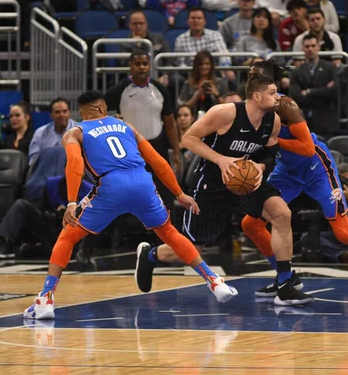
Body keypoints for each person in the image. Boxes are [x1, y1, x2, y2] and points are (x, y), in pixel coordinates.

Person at [24, 90, 238, 320]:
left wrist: (71, 202)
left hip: (110, 185)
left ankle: (45, 299)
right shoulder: (127, 127)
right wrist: (179, 193)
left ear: (81, 112)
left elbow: (75, 163)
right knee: (169, 233)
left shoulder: (75, 132)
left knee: (67, 237)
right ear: (104, 109)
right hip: (142, 182)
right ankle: (214, 281)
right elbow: (157, 161)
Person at [136, 72, 315, 306]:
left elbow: (271, 156)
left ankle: (285, 285)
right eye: (273, 93)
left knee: (282, 213)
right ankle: (150, 255)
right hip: (213, 182)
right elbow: (188, 139)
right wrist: (221, 160)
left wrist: (260, 166)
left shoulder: (274, 121)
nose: (278, 97)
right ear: (256, 96)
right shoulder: (226, 112)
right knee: (193, 245)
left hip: (246, 180)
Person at [241, 62, 348, 294]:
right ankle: (285, 277)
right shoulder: (248, 109)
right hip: (286, 171)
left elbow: (307, 148)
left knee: (343, 231)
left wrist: (274, 141)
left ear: (268, 82)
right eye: (249, 74)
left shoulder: (286, 106)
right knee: (251, 224)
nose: (250, 76)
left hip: (316, 167)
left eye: (255, 73)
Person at [105, 50, 182, 212]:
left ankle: (168, 234)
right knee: (129, 194)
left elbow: (170, 123)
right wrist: (112, 118)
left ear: (150, 66)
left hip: (157, 148)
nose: (141, 67)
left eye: (145, 64)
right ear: (130, 66)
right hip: (130, 150)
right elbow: (97, 110)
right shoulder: (120, 89)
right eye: (137, 64)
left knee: (165, 194)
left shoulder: (160, 89)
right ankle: (126, 233)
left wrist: (176, 151)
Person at [289, 34, 339, 139]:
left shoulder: (330, 67)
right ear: (302, 48)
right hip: (305, 120)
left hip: (327, 120)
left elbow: (334, 91)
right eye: (307, 46)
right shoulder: (296, 71)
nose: (310, 49)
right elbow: (296, 96)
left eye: (313, 45)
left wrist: (308, 92)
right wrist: (323, 92)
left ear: (318, 47)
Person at [177, 50, 230, 114]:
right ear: (196, 66)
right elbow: (182, 108)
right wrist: (196, 95)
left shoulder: (220, 83)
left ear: (211, 65)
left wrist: (216, 94)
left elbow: (228, 107)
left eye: (207, 64)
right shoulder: (188, 84)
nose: (204, 67)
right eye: (201, 64)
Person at [28, 98, 76, 166]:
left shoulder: (81, 131)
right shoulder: (40, 133)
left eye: (64, 111)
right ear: (51, 115)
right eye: (57, 112)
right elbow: (33, 160)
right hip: (47, 172)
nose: (62, 115)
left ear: (69, 113)